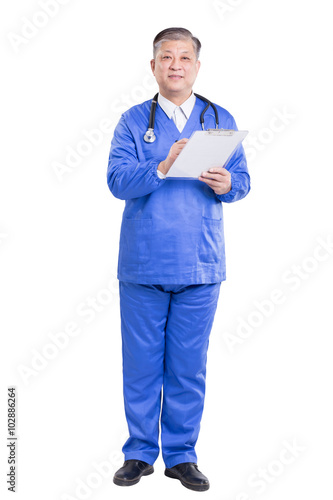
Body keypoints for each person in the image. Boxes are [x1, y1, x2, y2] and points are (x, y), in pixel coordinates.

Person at [107, 27, 250, 492]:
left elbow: (243, 181)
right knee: (142, 363)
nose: (175, 65)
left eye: (184, 57)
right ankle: (139, 453)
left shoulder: (218, 118)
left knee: (188, 365)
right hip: (144, 264)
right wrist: (163, 165)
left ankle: (182, 456)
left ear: (196, 66)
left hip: (199, 264)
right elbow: (117, 182)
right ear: (153, 66)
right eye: (166, 57)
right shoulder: (133, 121)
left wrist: (231, 185)